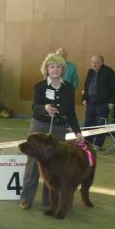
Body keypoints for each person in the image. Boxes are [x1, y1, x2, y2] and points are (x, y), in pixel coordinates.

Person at [20, 53, 84, 210]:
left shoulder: (68, 88)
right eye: (52, 66)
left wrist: (77, 131)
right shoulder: (39, 86)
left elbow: (71, 113)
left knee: (55, 165)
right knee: (33, 163)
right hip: (40, 127)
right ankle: (26, 199)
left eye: (58, 66)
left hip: (59, 129)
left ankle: (49, 200)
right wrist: (45, 108)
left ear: (63, 70)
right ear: (46, 69)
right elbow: (34, 107)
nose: (55, 69)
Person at [81, 54, 115, 151]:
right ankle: (87, 142)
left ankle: (98, 144)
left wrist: (112, 102)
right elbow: (86, 86)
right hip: (90, 102)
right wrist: (84, 98)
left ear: (102, 63)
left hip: (103, 103)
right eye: (93, 62)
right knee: (88, 123)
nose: (94, 64)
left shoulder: (109, 72)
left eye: (97, 62)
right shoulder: (90, 71)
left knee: (100, 124)